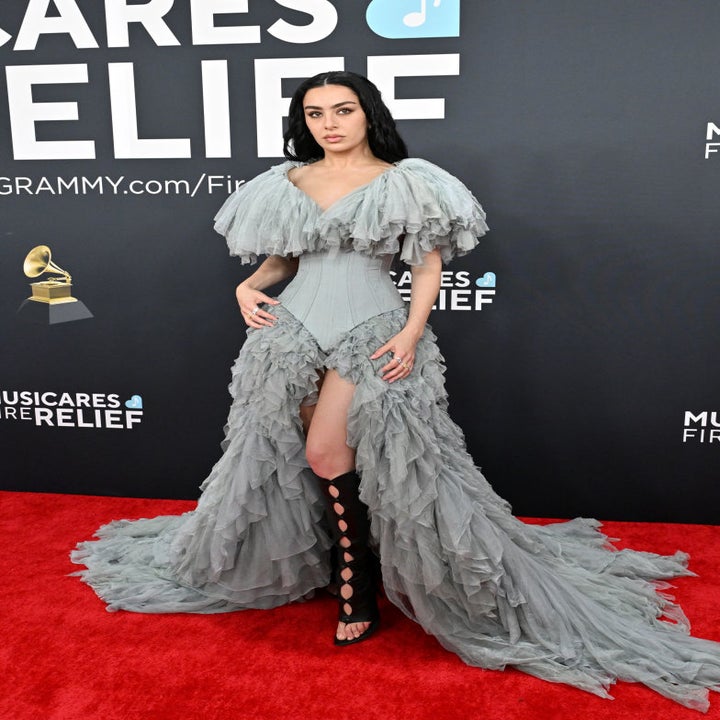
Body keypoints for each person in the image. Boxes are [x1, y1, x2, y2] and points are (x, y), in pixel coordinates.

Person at [72, 71, 720, 710]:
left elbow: (425, 262)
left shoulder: (406, 180)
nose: (329, 122)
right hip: (293, 328)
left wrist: (412, 332)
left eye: (343, 109)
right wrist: (248, 287)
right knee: (298, 456)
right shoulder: (285, 181)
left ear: (367, 114)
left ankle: (357, 582)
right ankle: (334, 563)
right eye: (316, 112)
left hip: (371, 330)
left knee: (330, 452)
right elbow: (285, 260)